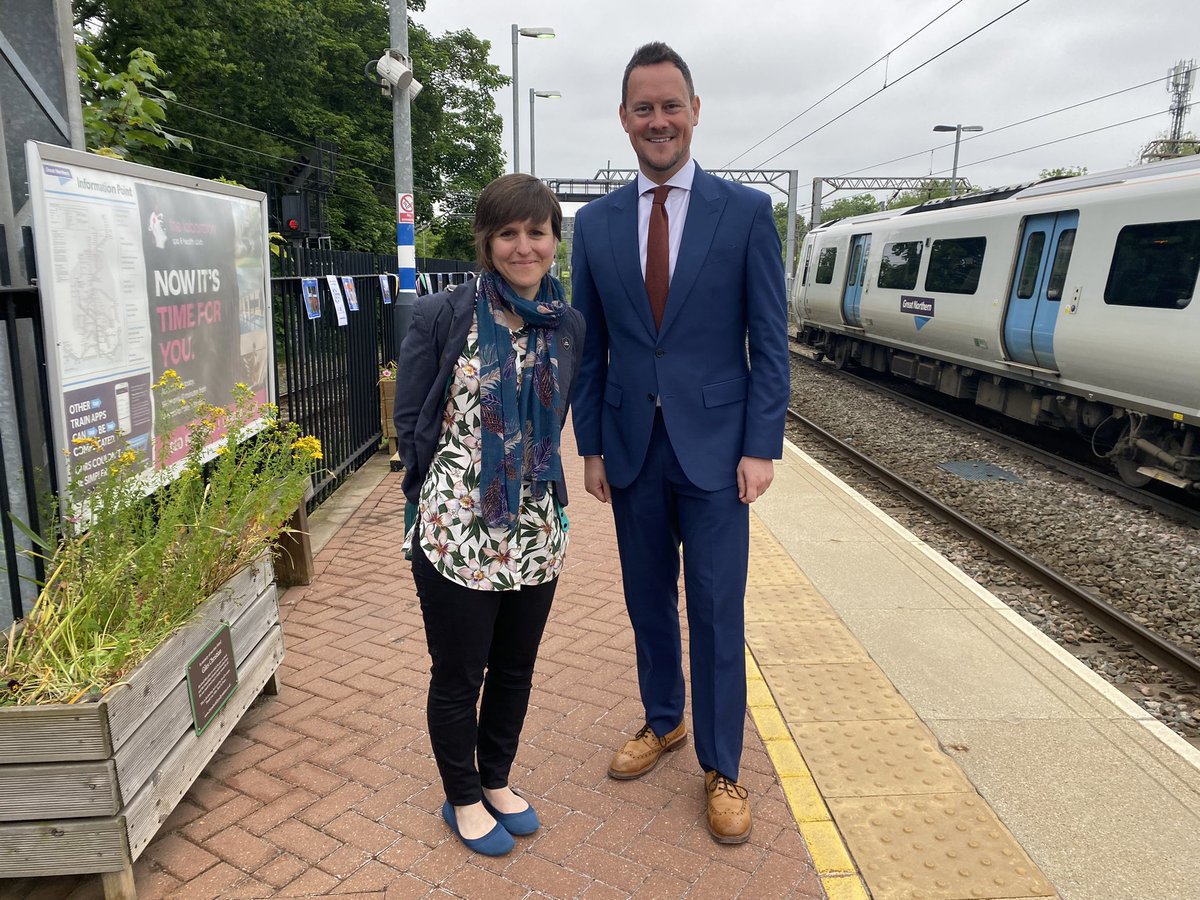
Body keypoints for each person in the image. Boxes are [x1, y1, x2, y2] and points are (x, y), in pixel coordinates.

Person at [570, 42, 789, 844]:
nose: (657, 120)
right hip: (632, 447)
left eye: (670, 105)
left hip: (719, 450)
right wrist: (591, 444)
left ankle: (723, 766)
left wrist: (761, 445)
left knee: (718, 609)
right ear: (624, 118)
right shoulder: (593, 224)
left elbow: (770, 341)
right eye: (643, 108)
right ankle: (664, 720)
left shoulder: (746, 213)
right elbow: (590, 348)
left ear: (694, 112)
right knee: (646, 600)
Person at [393, 174, 585, 856]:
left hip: (533, 529)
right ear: (486, 241)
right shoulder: (442, 315)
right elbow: (411, 417)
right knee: (459, 674)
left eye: (537, 232)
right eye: (508, 233)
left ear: (555, 240)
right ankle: (462, 796)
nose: (524, 246)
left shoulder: (568, 325)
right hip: (457, 529)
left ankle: (496, 779)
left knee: (514, 670)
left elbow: (559, 417)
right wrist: (429, 497)